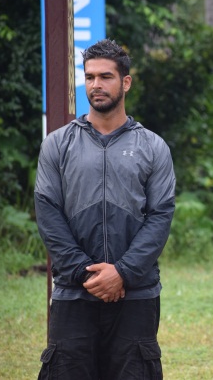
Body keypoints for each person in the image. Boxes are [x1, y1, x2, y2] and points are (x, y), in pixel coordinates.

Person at [35, 39, 176, 379]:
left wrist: (122, 273)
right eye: (90, 77)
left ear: (125, 82)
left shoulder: (153, 147)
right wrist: (86, 274)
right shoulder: (57, 144)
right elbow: (48, 213)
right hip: (73, 293)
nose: (96, 85)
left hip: (136, 294)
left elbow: (160, 217)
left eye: (105, 76)